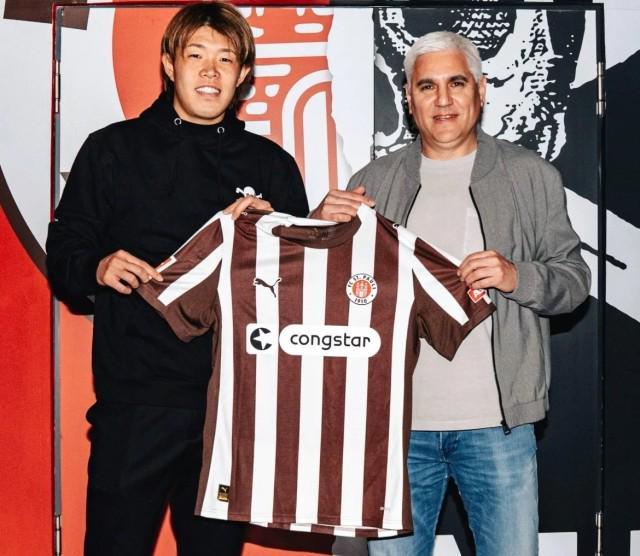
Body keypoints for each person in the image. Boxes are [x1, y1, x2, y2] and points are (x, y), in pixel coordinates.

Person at [313, 31, 590, 556]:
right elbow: (330, 299)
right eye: (427, 86)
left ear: (481, 90)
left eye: (456, 83)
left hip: (498, 429)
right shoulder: (374, 180)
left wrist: (516, 276)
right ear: (408, 98)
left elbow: (574, 282)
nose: (442, 99)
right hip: (396, 431)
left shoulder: (531, 176)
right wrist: (320, 232)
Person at [46, 3, 308, 555]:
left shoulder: (271, 165)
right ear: (169, 63)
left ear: (243, 74)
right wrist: (97, 266)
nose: (210, 71)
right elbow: (66, 250)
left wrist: (282, 235)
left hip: (232, 405)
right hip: (135, 400)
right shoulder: (111, 149)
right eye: (196, 55)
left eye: (225, 59)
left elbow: (299, 289)